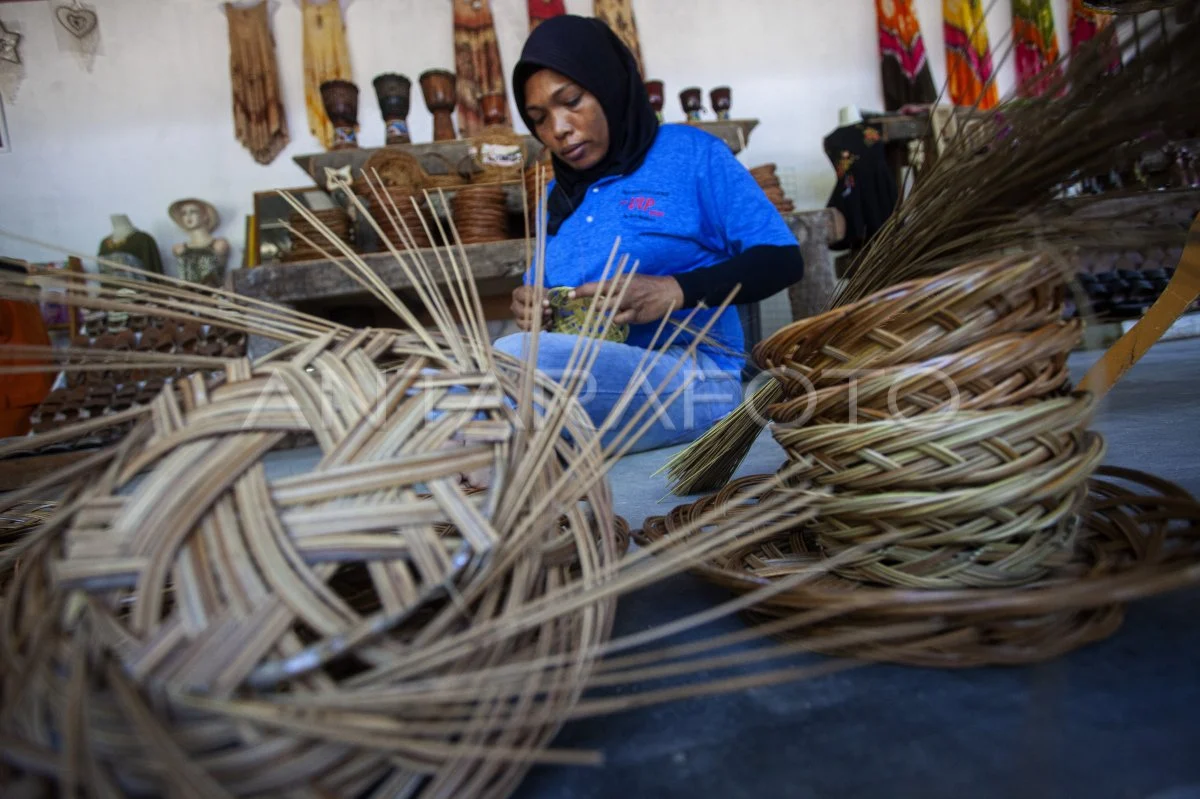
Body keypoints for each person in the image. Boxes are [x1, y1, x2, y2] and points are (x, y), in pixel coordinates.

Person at [492, 15, 805, 453]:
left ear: (608, 85)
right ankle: (496, 451)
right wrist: (533, 306)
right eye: (539, 118)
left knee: (517, 364)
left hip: (694, 376)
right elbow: (542, 297)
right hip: (586, 380)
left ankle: (490, 453)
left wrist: (674, 291)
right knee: (444, 375)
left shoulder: (692, 155)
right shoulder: (555, 195)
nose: (558, 130)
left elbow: (783, 259)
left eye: (572, 101)